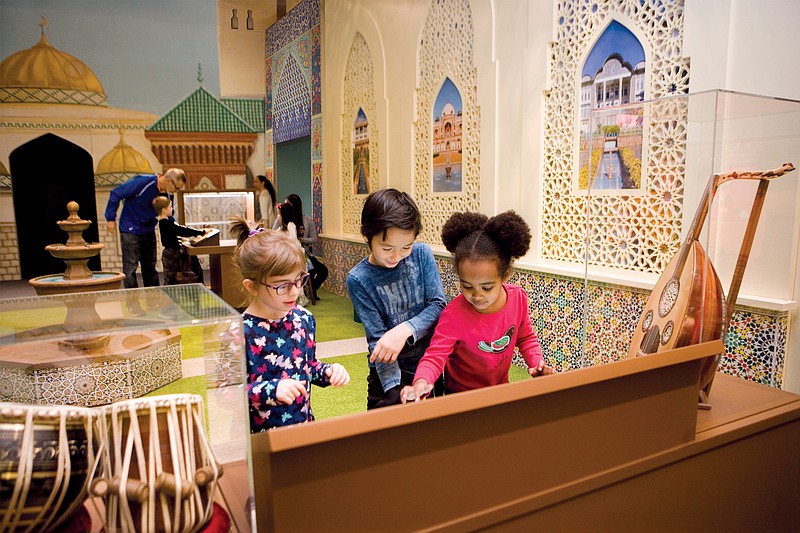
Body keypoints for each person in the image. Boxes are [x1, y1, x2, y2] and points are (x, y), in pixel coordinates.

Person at [401, 211, 553, 403]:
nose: (477, 295)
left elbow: (525, 337)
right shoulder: (453, 314)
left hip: (499, 390)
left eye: (487, 287)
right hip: (460, 397)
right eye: (467, 286)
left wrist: (536, 363)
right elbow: (435, 355)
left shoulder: (518, 298)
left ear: (505, 275)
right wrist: (421, 382)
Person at [229, 216, 350, 431]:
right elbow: (224, 394)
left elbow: (307, 366)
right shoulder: (237, 333)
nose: (295, 291)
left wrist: (328, 371)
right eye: (281, 286)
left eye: (298, 280)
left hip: (302, 427)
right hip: (257, 440)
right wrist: (270, 391)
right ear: (251, 286)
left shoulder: (303, 319)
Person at [347, 188, 446, 409]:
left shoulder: (421, 255)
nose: (396, 256)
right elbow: (377, 340)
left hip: (426, 369)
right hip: (387, 376)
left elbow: (438, 305)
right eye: (387, 248)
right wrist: (394, 390)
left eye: (406, 247)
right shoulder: (359, 279)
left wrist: (404, 330)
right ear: (367, 235)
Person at [105, 168, 187, 288]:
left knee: (150, 266)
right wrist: (110, 218)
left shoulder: (168, 194)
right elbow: (116, 193)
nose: (176, 191)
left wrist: (177, 229)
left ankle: (153, 297)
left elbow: (168, 214)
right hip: (130, 228)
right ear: (169, 181)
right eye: (177, 188)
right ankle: (132, 301)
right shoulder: (144, 182)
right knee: (130, 267)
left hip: (148, 229)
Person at [274, 194, 329, 297]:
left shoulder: (307, 221)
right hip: (288, 253)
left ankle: (311, 289)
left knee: (322, 270)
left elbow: (314, 239)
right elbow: (274, 233)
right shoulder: (282, 220)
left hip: (305, 253)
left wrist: (301, 240)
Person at [152, 196, 208, 285]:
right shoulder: (166, 223)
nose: (172, 209)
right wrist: (200, 232)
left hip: (171, 252)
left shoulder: (165, 223)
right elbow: (181, 230)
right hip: (172, 253)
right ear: (163, 210)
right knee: (172, 278)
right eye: (170, 207)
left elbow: (176, 232)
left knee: (172, 276)